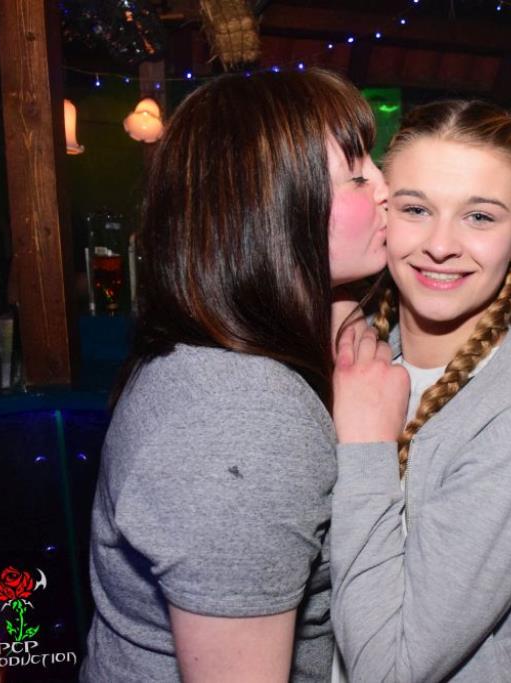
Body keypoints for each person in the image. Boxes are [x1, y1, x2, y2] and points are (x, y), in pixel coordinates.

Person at [81, 69, 388, 683]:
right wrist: (370, 448)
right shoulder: (245, 416)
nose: (386, 187)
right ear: (272, 208)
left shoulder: (211, 348)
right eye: (357, 175)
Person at [328, 100, 511, 681]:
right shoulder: (356, 355)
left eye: (479, 217)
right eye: (416, 209)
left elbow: (388, 671)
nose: (441, 244)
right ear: (382, 214)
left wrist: (367, 447)